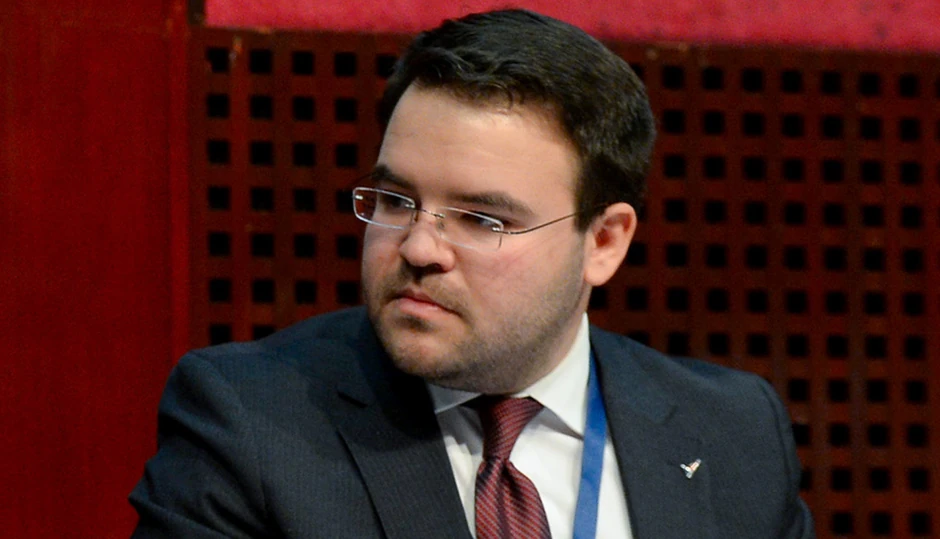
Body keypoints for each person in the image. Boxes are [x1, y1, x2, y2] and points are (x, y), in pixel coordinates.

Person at [130, 9, 815, 538]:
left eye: (482, 219)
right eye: (396, 201)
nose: (419, 248)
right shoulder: (248, 422)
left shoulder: (733, 433)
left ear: (604, 242)